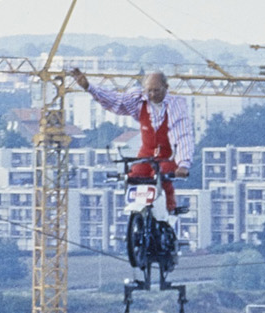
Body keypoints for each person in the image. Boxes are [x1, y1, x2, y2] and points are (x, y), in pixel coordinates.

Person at [70, 69, 195, 215]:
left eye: (157, 90)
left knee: (162, 175)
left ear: (166, 88)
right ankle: (139, 213)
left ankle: (169, 210)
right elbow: (114, 100)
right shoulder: (138, 100)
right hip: (146, 153)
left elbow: (183, 134)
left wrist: (184, 164)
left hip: (167, 154)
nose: (153, 95)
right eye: (149, 91)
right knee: (135, 176)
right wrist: (88, 87)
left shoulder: (175, 105)